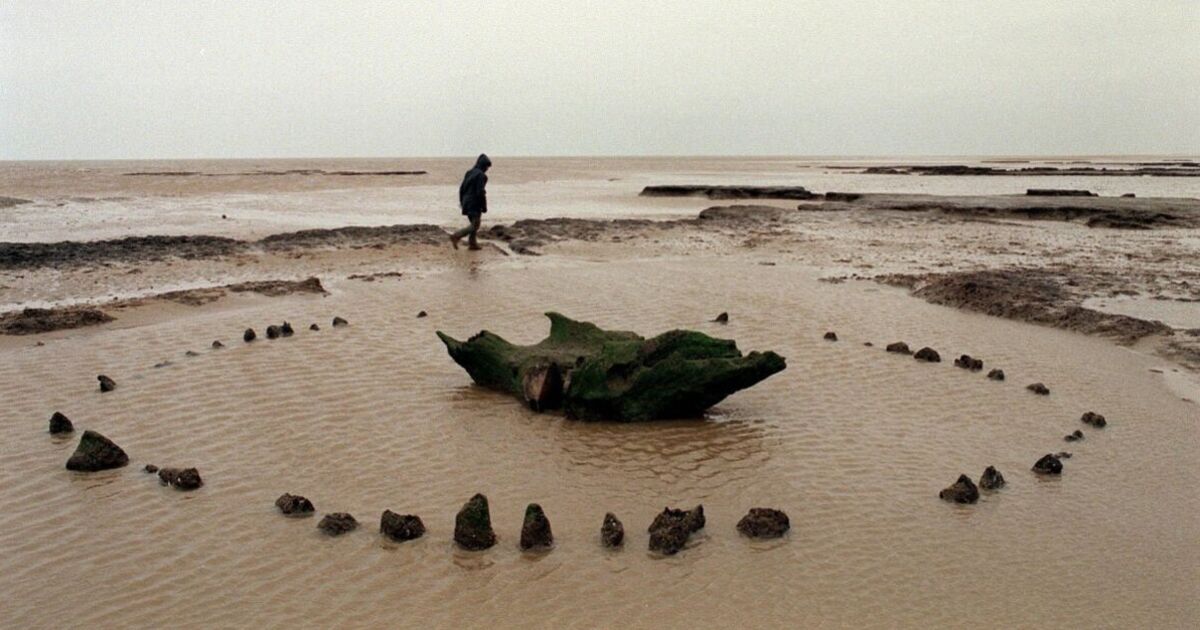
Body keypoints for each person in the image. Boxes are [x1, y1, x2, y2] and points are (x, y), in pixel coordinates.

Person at [451, 153, 491, 250]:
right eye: (487, 167)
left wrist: (462, 201)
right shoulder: (482, 176)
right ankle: (456, 236)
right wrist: (484, 206)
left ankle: (472, 244)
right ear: (483, 165)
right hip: (474, 202)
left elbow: (462, 188)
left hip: (466, 201)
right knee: (475, 224)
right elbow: (480, 192)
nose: (487, 169)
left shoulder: (469, 172)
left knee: (474, 223)